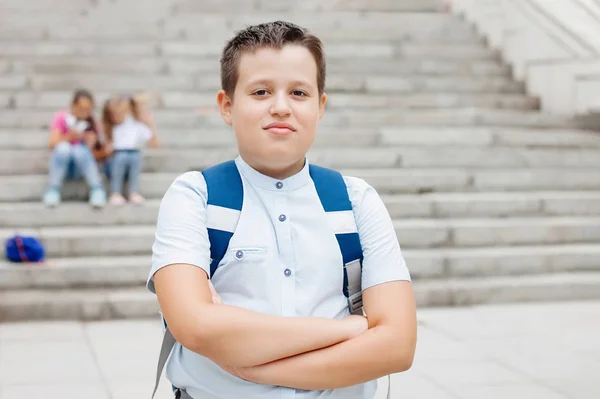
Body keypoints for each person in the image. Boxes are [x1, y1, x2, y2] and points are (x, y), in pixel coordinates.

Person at [148, 21, 417, 399]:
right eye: (260, 91)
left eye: (299, 93)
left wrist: (248, 363)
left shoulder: (356, 201)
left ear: (320, 106)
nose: (280, 107)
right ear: (227, 106)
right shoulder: (194, 197)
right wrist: (351, 329)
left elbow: (398, 346)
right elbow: (195, 327)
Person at [42, 89, 107, 208]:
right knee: (64, 148)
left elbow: (101, 155)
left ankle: (97, 189)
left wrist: (91, 145)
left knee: (80, 150)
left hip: (81, 167)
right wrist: (69, 136)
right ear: (73, 105)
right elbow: (52, 144)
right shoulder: (61, 118)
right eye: (81, 108)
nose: (84, 112)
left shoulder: (91, 123)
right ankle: (53, 189)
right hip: (63, 165)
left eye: (88, 109)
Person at [102, 93, 160, 206]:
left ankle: (133, 191)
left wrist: (150, 123)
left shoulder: (135, 126)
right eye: (113, 114)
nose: (117, 116)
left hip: (132, 158)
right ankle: (115, 192)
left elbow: (155, 144)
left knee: (135, 155)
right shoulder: (109, 128)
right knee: (121, 156)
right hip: (114, 162)